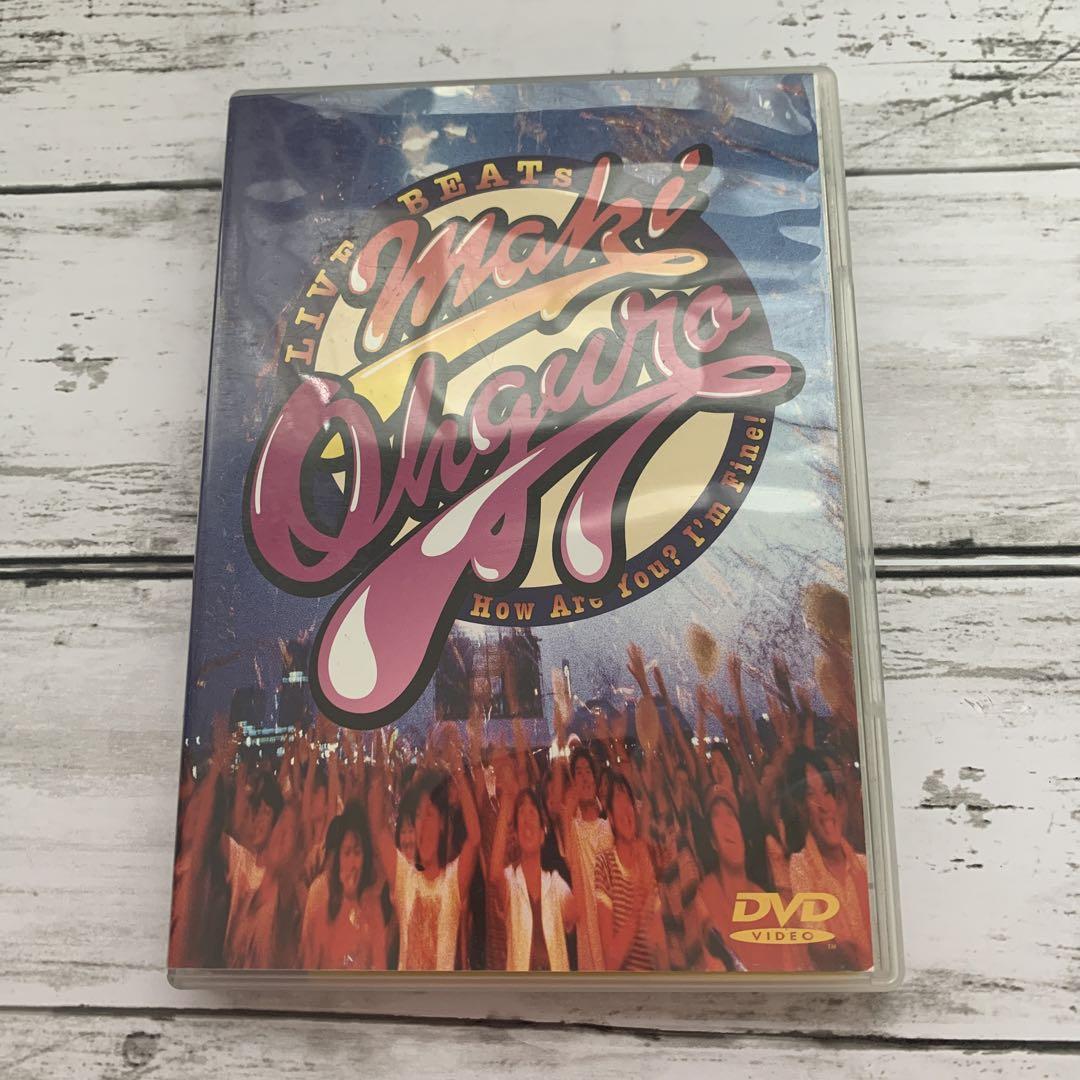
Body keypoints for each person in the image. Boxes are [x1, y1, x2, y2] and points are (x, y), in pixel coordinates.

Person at [370, 731, 481, 971]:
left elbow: (474, 838)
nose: (423, 824)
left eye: (429, 814)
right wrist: (380, 762)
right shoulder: (405, 877)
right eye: (418, 815)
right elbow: (377, 827)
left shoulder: (452, 882)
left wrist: (458, 770)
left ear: (441, 824)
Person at [697, 786, 804, 973]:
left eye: (731, 814)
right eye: (717, 815)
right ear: (713, 841)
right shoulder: (704, 897)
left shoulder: (770, 905)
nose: (727, 823)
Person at [786, 749, 872, 971]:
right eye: (811, 796)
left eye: (827, 792)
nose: (824, 806)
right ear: (801, 808)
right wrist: (849, 954)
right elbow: (817, 943)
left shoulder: (864, 865)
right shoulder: (800, 866)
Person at [490, 786, 577, 971]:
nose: (527, 818)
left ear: (542, 835)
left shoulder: (555, 883)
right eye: (521, 812)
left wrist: (568, 821)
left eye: (532, 812)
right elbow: (494, 874)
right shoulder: (511, 880)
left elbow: (576, 911)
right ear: (516, 834)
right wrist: (505, 809)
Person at [300, 800, 386, 970]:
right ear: (337, 857)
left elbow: (379, 968)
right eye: (347, 853)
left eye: (357, 853)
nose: (352, 863)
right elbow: (308, 963)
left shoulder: (372, 904)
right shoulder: (321, 893)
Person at [594, 773, 667, 971]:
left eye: (629, 803)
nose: (627, 811)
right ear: (610, 817)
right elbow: (610, 961)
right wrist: (636, 911)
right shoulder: (604, 864)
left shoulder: (645, 864)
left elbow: (660, 946)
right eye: (619, 803)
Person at [560, 744, 613, 971]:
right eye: (578, 772)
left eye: (588, 771)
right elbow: (570, 861)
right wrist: (567, 812)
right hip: (588, 925)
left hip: (611, 918)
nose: (584, 777)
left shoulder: (609, 825)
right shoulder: (573, 827)